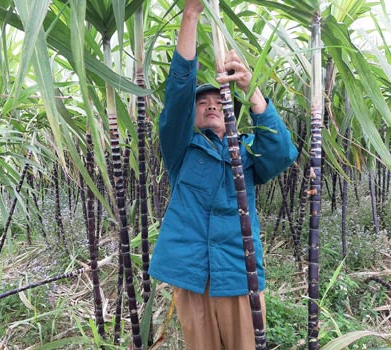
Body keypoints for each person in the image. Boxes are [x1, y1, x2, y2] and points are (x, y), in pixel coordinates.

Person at [147, 0, 298, 349]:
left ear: (230, 109)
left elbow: (282, 153)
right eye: (203, 103)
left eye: (218, 100)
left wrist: (250, 87)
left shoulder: (246, 151)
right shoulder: (181, 149)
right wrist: (191, 16)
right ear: (194, 116)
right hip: (191, 273)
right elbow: (177, 98)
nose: (211, 104)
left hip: (237, 270)